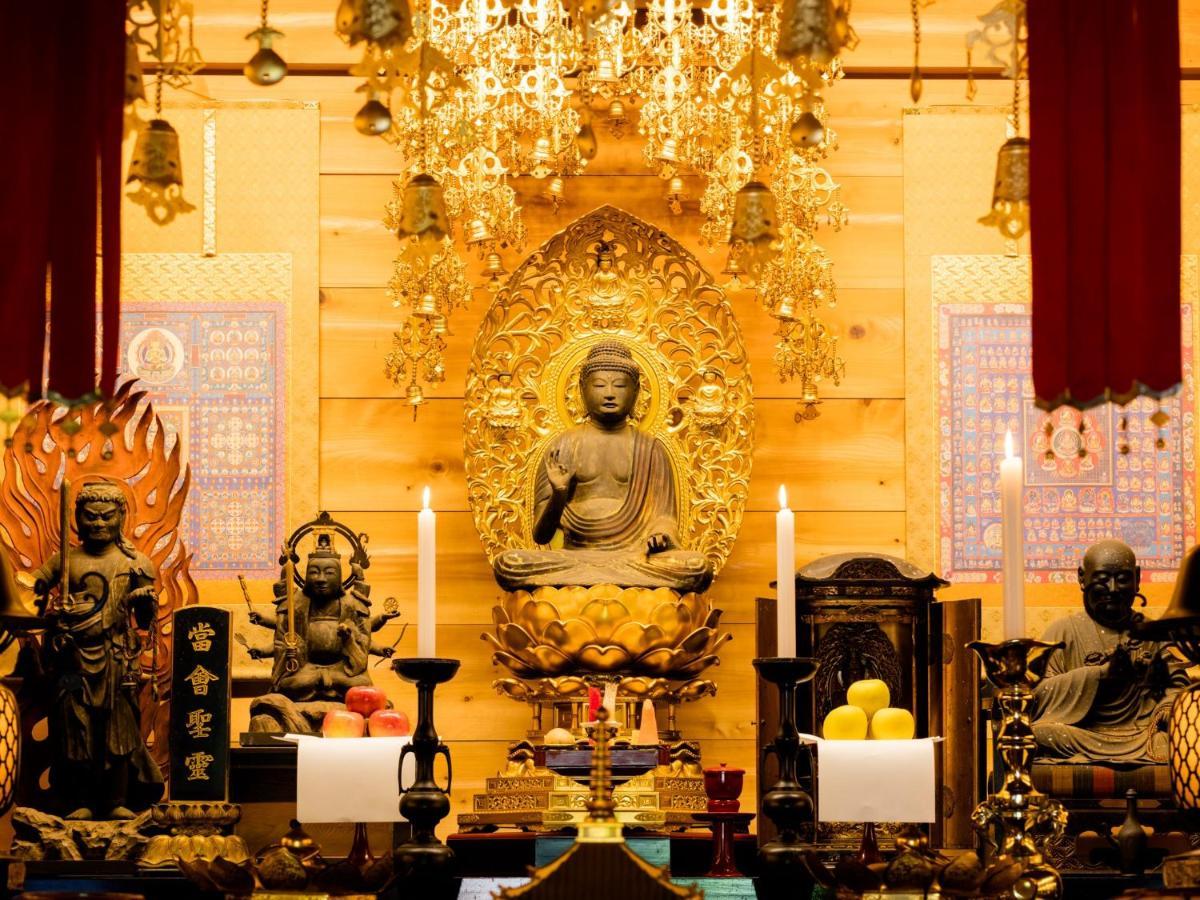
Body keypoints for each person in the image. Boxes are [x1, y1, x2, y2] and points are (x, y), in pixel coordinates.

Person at [493, 341, 712, 593]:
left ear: (636, 390)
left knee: (697, 567)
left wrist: (660, 534)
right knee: (509, 564)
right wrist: (559, 494)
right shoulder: (563, 445)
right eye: (599, 385)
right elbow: (541, 536)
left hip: (636, 557)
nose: (609, 393)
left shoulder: (651, 449)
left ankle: (590, 585)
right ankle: (615, 584)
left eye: (619, 385)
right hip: (576, 556)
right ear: (582, 389)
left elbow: (664, 517)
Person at [32, 482, 164, 820]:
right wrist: (48, 601)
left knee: (117, 732)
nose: (98, 524)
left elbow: (146, 622)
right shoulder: (65, 560)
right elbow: (33, 590)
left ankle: (117, 798)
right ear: (77, 518)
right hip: (72, 660)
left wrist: (143, 603)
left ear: (121, 516)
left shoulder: (135, 563)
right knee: (76, 731)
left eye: (107, 517)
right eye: (90, 517)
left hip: (115, 659)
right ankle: (80, 800)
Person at [1033, 539, 1189, 764]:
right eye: (1103, 579)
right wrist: (1097, 675)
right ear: (1081, 578)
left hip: (1142, 734)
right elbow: (1039, 695)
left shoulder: (1151, 634)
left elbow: (1177, 685)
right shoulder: (1063, 632)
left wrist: (1166, 706)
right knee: (1039, 733)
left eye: (1123, 579)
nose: (1113, 589)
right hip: (1083, 732)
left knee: (1181, 735)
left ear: (1137, 579)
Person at [244, 531, 399, 733]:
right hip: (303, 672)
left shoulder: (352, 606)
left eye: (329, 573)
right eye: (314, 572)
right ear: (306, 576)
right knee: (290, 684)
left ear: (340, 576)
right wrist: (292, 653)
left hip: (343, 673)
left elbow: (362, 650)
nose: (320, 578)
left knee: (361, 686)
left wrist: (349, 639)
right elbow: (282, 643)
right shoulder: (295, 606)